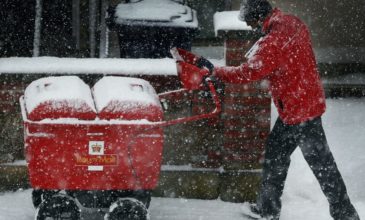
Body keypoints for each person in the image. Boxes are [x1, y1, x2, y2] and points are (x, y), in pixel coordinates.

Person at [196, 0, 360, 219]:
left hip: (299, 110)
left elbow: (247, 73)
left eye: (251, 23)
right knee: (277, 157)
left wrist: (215, 71)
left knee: (321, 165)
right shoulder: (292, 22)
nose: (251, 28)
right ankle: (268, 209)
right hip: (302, 103)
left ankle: (345, 214)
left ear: (258, 16)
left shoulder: (272, 41)